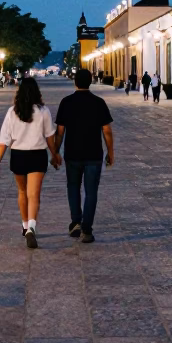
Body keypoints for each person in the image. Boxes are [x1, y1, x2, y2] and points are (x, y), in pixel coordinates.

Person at [0, 76, 60, 249]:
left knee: (22, 192)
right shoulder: (43, 111)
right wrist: (55, 154)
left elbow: (4, 139)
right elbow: (50, 137)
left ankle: (24, 226)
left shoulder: (12, 111)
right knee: (34, 194)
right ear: (37, 92)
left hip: (18, 156)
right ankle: (31, 227)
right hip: (37, 155)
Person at [55, 67, 114, 244]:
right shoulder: (99, 102)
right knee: (91, 191)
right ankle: (87, 229)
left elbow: (60, 131)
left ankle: (75, 222)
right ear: (90, 81)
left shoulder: (66, 102)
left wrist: (55, 151)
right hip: (94, 154)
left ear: (75, 82)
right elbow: (107, 130)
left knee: (73, 187)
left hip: (72, 153)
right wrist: (110, 152)